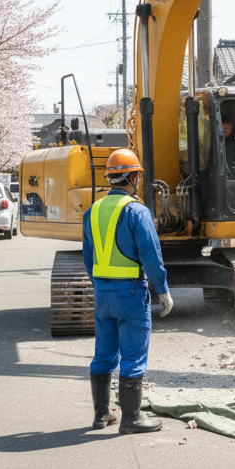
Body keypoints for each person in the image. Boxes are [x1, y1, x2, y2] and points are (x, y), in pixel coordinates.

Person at [84, 148, 171, 434]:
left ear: (111, 178)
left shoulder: (92, 211)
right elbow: (150, 255)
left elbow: (88, 255)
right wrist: (163, 290)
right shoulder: (136, 211)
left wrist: (101, 285)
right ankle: (131, 419)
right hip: (131, 294)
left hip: (103, 294)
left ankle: (100, 417)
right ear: (133, 177)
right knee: (133, 355)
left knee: (104, 353)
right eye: (138, 177)